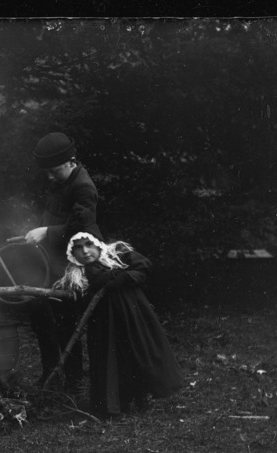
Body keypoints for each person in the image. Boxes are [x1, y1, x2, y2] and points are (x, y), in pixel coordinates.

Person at [55, 228, 183, 417]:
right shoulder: (76, 276)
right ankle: (117, 402)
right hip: (104, 323)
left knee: (138, 351)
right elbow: (79, 301)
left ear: (97, 244)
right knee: (112, 358)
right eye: (78, 248)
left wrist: (122, 277)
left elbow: (143, 267)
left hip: (132, 313)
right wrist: (96, 285)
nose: (85, 251)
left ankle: (142, 395)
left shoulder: (118, 255)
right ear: (72, 253)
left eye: (88, 244)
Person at [24, 132, 102, 392]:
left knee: (66, 323)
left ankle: (73, 382)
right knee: (42, 318)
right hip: (51, 260)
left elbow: (80, 226)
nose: (49, 176)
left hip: (72, 265)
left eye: (53, 170)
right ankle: (51, 375)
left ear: (71, 161)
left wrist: (46, 232)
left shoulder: (83, 187)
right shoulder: (63, 179)